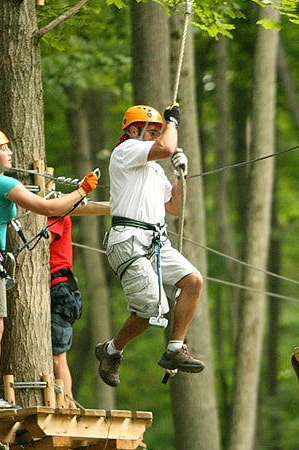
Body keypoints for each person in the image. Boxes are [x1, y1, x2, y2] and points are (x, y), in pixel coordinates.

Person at [0, 128, 98, 420]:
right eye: (5, 149)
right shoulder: (2, 183)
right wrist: (82, 191)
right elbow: (48, 207)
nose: (10, 154)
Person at [94, 103, 205, 387]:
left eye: (160, 131)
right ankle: (112, 350)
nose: (158, 136)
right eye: (152, 130)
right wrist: (173, 123)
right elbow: (166, 148)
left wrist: (181, 175)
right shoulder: (126, 151)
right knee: (151, 309)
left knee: (193, 281)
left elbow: (175, 207)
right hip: (129, 240)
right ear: (134, 130)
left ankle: (174, 349)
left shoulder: (154, 170)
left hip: (156, 241)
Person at [48, 214, 82, 401]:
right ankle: (64, 402)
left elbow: (40, 243)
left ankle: (67, 404)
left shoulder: (56, 213)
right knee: (54, 356)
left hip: (61, 290)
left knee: (57, 356)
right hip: (54, 289)